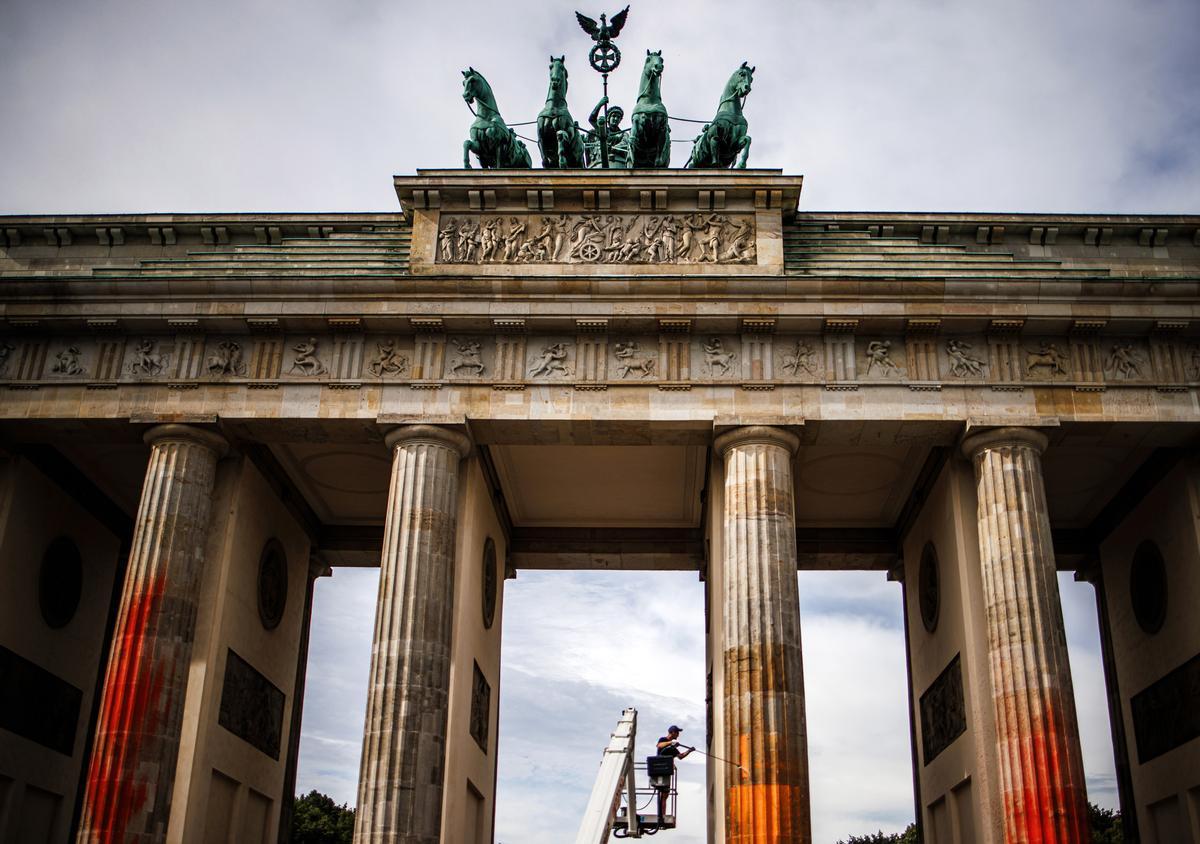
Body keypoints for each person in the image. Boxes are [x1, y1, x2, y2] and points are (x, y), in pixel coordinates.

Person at [653, 725, 692, 825]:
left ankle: (663, 814)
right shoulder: (663, 740)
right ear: (673, 732)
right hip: (659, 769)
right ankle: (660, 815)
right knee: (661, 793)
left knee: (665, 794)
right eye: (677, 733)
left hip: (666, 771)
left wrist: (689, 751)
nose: (678, 735)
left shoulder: (673, 748)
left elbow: (680, 756)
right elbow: (659, 746)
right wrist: (670, 742)